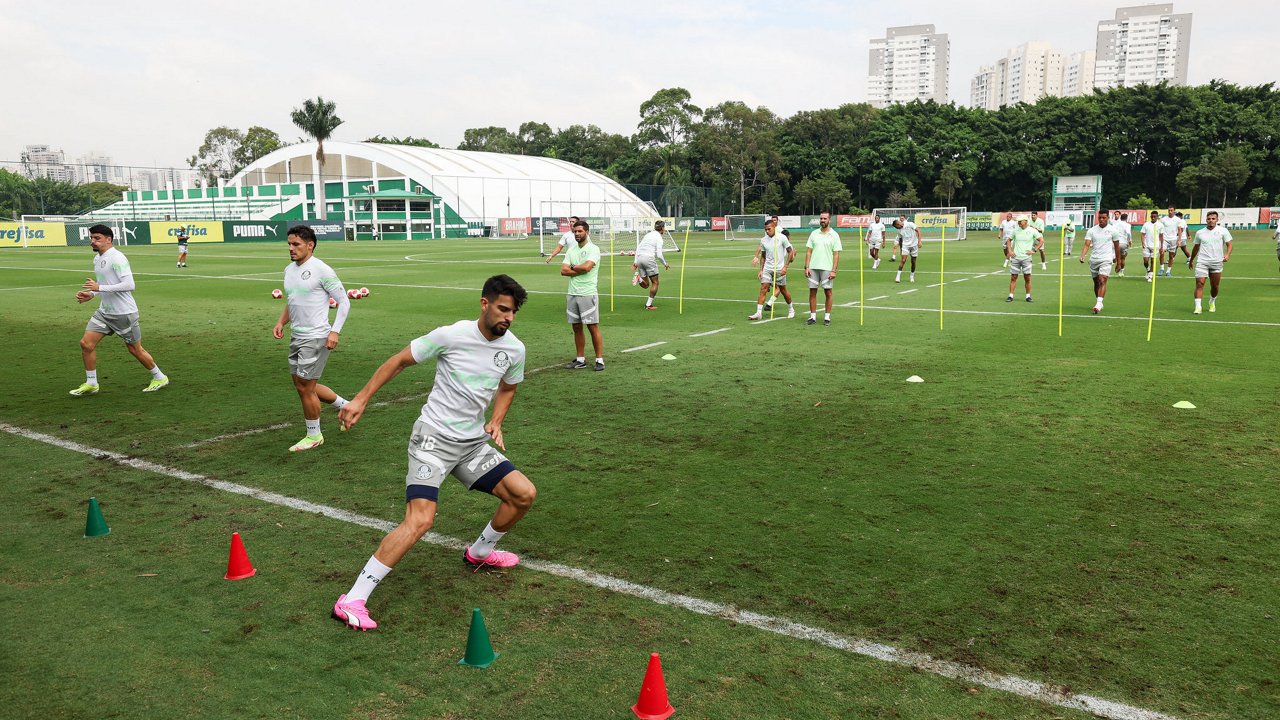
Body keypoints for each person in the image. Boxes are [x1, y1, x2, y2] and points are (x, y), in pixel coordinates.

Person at [332, 275, 535, 631]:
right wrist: (361, 399)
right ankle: (352, 599)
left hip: (472, 445)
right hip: (433, 440)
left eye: (514, 312)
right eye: (504, 309)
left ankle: (480, 552)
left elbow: (508, 387)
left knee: (523, 494)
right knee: (420, 520)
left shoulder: (514, 349)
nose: (509, 318)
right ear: (485, 304)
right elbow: (399, 361)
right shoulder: (450, 335)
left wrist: (496, 420)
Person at [272, 225, 351, 452]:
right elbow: (292, 300)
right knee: (302, 385)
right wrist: (281, 322)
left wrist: (335, 331)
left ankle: (314, 435)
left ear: (310, 245)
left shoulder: (322, 270)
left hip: (316, 337)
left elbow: (344, 302)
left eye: (296, 244)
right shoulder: (289, 270)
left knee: (305, 388)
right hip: (296, 336)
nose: (291, 248)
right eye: (289, 244)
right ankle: (345, 406)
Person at [71, 224, 169, 396]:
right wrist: (92, 294)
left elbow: (129, 285)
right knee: (86, 344)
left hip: (123, 313)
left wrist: (99, 288)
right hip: (104, 312)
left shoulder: (117, 258)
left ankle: (160, 377)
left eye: (97, 238)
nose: (93, 241)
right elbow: (105, 283)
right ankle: (92, 383)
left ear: (109, 240)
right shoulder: (97, 258)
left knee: (135, 350)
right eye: (92, 238)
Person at [561, 220, 604, 370]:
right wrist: (579, 269)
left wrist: (573, 267)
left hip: (588, 293)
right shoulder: (571, 250)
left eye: (580, 231)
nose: (577, 234)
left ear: (587, 232)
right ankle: (580, 360)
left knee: (592, 328)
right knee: (577, 328)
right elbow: (563, 270)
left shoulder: (593, 248)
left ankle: (599, 360)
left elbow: (587, 267)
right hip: (572, 293)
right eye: (575, 231)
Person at [748, 219, 796, 320]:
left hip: (779, 269)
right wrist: (761, 270)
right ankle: (758, 313)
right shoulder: (763, 240)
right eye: (765, 229)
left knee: (783, 290)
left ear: (774, 227)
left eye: (769, 229)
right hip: (767, 268)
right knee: (763, 288)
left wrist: (786, 266)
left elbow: (790, 251)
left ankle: (791, 309)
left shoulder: (782, 237)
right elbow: (763, 256)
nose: (767, 231)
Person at [1188, 211, 1232, 315]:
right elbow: (1196, 247)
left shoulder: (1223, 231)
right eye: (1209, 219)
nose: (1210, 221)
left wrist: (1227, 255)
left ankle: (1212, 301)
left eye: (1213, 219)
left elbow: (1229, 244)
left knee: (1215, 285)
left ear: (1217, 220)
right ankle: (1198, 307)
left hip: (1217, 262)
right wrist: (1191, 260)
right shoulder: (1200, 232)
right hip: (1202, 261)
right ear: (1206, 220)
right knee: (1199, 284)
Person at [803, 212, 841, 325]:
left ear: (829, 220)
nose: (822, 220)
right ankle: (812, 317)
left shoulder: (834, 235)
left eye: (825, 218)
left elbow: (836, 254)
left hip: (827, 268)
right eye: (821, 219)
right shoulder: (814, 233)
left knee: (828, 292)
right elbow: (809, 251)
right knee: (812, 291)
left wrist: (834, 270)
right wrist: (807, 267)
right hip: (813, 268)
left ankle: (827, 318)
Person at [1080, 211, 1120, 314]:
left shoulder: (1113, 230)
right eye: (1100, 218)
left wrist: (1118, 263)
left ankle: (1098, 303)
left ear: (1108, 218)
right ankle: (1099, 302)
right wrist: (1083, 255)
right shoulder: (1092, 230)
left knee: (1103, 280)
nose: (1101, 220)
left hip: (1106, 259)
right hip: (1094, 259)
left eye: (1104, 218)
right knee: (1096, 282)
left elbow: (1117, 247)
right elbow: (1086, 245)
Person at [632, 220, 670, 309]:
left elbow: (638, 248)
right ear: (662, 228)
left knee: (646, 285)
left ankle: (638, 279)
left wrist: (635, 261)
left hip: (640, 258)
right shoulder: (659, 238)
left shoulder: (648, 235)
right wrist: (665, 264)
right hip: (648, 259)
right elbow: (659, 255)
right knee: (655, 282)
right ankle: (648, 305)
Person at [1005, 216, 1043, 303]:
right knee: (1013, 277)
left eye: (1020, 221)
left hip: (1026, 258)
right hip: (1016, 258)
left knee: (1027, 278)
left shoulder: (1032, 230)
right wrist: (1010, 250)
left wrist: (1034, 250)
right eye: (1018, 222)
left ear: (1025, 221)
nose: (1018, 223)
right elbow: (1009, 240)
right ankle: (1010, 296)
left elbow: (1041, 240)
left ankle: (1028, 296)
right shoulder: (1015, 231)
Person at [893, 218, 921, 284]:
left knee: (913, 261)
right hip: (905, 245)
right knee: (903, 260)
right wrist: (901, 249)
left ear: (898, 224)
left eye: (896, 227)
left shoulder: (909, 224)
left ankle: (912, 275)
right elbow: (900, 240)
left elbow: (918, 231)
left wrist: (919, 241)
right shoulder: (899, 231)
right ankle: (898, 276)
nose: (897, 228)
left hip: (914, 245)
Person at [1157, 205, 1182, 276]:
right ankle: (1162, 269)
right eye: (1169, 210)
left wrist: (1179, 240)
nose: (1170, 212)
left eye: (1171, 210)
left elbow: (1179, 230)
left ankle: (1168, 271)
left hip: (1173, 239)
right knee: (1162, 253)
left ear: (1174, 211)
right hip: (1165, 239)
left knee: (1171, 256)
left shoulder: (1178, 220)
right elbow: (1160, 229)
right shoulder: (1164, 219)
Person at [1140, 211, 1160, 281]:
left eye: (1154, 217)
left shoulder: (1160, 225)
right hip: (1147, 245)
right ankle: (1148, 270)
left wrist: (1161, 246)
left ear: (1157, 217)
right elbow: (1143, 234)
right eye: (1152, 217)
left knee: (1153, 261)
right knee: (1145, 261)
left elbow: (1161, 236)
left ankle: (1150, 276)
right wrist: (1143, 243)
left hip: (1155, 245)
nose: (1153, 218)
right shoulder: (1146, 224)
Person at [1113, 212, 1132, 277]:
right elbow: (1128, 233)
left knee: (1115, 255)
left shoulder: (1115, 225)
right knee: (1123, 258)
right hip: (1123, 243)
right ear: (1126, 218)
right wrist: (1130, 240)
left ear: (1120, 218)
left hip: (1115, 242)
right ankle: (1121, 272)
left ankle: (1115, 260)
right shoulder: (1127, 225)